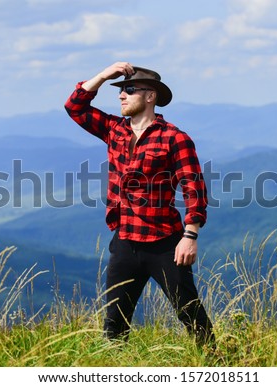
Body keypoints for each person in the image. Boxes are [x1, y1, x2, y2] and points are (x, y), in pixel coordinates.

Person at [64, 62, 214, 346]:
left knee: (190, 314)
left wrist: (190, 235)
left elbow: (194, 187)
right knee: (114, 323)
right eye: (120, 90)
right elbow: (75, 107)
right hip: (124, 241)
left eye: (129, 90)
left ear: (150, 96)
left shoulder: (174, 138)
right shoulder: (114, 131)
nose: (121, 95)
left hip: (165, 244)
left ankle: (219, 366)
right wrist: (104, 75)